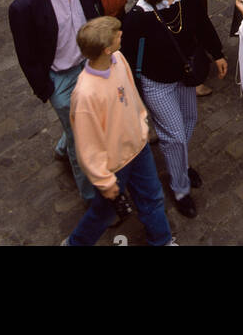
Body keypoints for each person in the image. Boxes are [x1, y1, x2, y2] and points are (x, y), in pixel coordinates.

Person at [121, 0, 226, 219]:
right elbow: (129, 56)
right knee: (175, 137)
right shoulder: (138, 18)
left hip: (185, 77)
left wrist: (218, 53)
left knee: (189, 121)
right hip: (157, 83)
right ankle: (180, 189)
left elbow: (203, 26)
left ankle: (180, 164)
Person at [63, 16, 175, 246]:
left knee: (152, 198)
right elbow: (87, 146)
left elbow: (131, 95)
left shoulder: (119, 58)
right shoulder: (85, 95)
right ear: (105, 49)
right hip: (115, 164)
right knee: (103, 214)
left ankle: (162, 240)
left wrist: (141, 123)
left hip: (139, 148)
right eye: (117, 35)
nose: (121, 34)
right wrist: (105, 181)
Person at [8, 0, 103, 201]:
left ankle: (63, 142)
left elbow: (96, 12)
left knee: (87, 123)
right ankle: (91, 197)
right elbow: (26, 56)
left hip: (91, 65)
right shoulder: (24, 7)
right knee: (81, 141)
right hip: (61, 78)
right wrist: (47, 89)